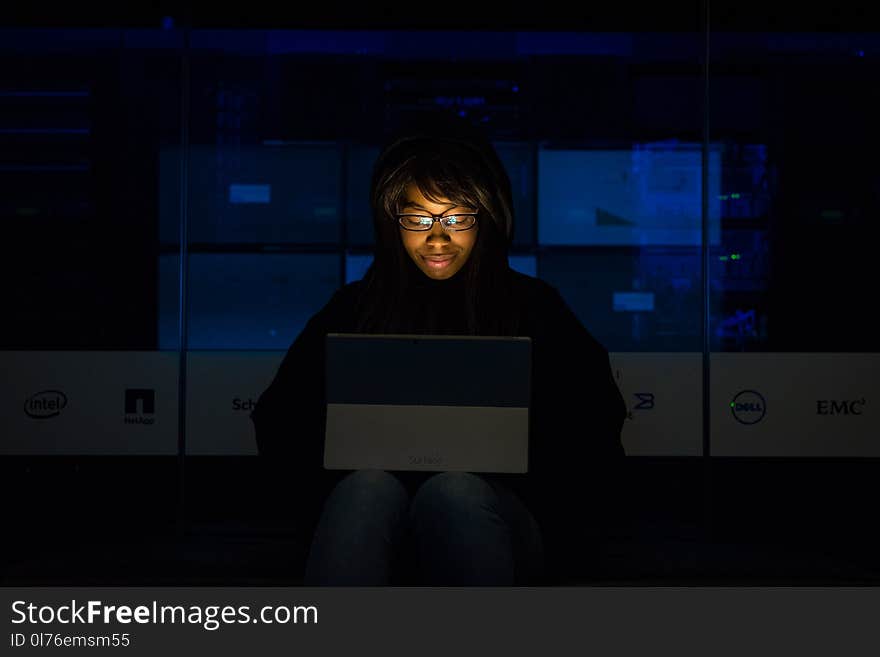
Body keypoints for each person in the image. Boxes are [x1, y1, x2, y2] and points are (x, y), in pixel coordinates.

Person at [250, 112, 626, 586]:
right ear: (394, 222)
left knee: (455, 493)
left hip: (502, 519)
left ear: (485, 218)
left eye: (456, 217)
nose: (437, 237)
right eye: (418, 218)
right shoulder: (355, 308)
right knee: (367, 490)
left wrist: (510, 462)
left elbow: (594, 437)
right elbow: (281, 422)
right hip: (373, 520)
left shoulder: (535, 308)